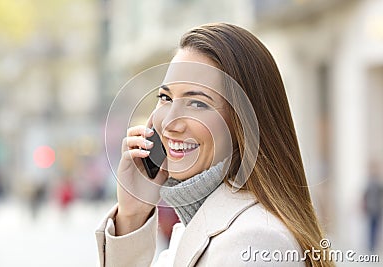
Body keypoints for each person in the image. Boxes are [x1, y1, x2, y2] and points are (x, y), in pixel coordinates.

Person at [96, 23, 333, 267]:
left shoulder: (252, 240)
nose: (168, 122)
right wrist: (132, 215)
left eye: (197, 104)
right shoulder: (194, 230)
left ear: (243, 124)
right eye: (165, 98)